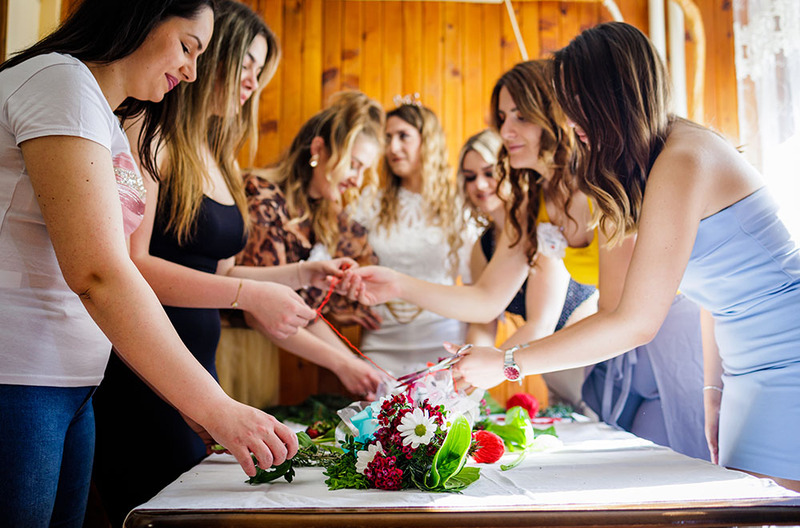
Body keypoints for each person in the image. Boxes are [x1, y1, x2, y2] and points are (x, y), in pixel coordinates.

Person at [0, 1, 300, 528]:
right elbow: (100, 273)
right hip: (19, 377)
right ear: (140, 14)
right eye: (187, 46)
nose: (190, 69)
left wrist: (187, 394)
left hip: (76, 382)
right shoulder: (61, 83)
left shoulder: (106, 119)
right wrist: (213, 404)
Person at [346, 59, 709, 462]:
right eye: (502, 117)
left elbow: (616, 313)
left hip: (664, 335)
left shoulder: (599, 182)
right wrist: (397, 284)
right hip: (607, 350)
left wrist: (503, 364)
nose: (506, 131)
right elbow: (486, 299)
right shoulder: (534, 202)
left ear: (552, 114)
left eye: (521, 115)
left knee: (689, 472)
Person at [91, 2, 318, 528]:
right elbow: (134, 263)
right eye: (247, 64)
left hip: (201, 369)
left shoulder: (218, 153)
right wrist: (250, 297)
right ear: (212, 57)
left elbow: (219, 276)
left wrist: (300, 276)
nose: (253, 81)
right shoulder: (148, 132)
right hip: (144, 369)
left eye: (262, 71)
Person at [235, 90, 386, 398]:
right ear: (319, 148)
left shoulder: (324, 218)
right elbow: (259, 310)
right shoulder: (263, 196)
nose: (357, 180)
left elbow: (305, 313)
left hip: (269, 359)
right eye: (353, 164)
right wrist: (343, 365)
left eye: (363, 170)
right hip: (236, 349)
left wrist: (356, 364)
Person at [458, 128, 597, 408]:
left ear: (509, 170)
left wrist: (489, 366)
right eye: (470, 177)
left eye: (489, 172)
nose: (480, 185)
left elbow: (540, 325)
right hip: (544, 361)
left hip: (590, 355)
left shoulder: (540, 227)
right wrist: (467, 364)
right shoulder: (482, 246)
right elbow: (482, 321)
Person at [349, 101, 476, 379]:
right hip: (381, 339)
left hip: (442, 340)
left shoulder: (459, 204)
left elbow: (476, 286)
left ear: (427, 141)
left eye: (403, 136)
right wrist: (345, 306)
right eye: (387, 138)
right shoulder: (370, 202)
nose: (392, 147)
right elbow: (331, 254)